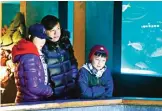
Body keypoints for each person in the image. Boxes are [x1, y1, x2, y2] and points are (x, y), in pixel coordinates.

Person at [12, 23, 53, 103]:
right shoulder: (30, 56)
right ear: (30, 37)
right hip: (31, 102)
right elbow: (34, 87)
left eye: (44, 38)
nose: (43, 41)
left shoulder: (28, 51)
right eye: (40, 38)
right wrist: (49, 90)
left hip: (28, 100)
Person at [41, 15, 78, 99]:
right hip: (53, 96)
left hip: (70, 91)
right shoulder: (43, 47)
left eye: (58, 29)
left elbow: (73, 62)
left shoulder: (65, 42)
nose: (56, 33)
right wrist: (49, 90)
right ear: (45, 31)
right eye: (52, 30)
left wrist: (74, 79)